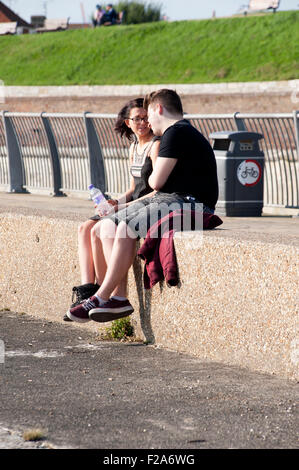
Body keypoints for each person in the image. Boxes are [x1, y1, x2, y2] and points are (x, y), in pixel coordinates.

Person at [67, 88, 219, 324]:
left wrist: (150, 179)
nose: (148, 121)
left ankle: (102, 296)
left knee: (126, 226)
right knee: (107, 225)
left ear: (158, 108)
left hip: (193, 206)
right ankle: (118, 297)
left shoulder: (175, 133)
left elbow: (155, 182)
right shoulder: (178, 132)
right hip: (173, 199)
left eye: (149, 114)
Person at [64, 98, 160, 321]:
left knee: (100, 230)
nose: (143, 123)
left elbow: (154, 191)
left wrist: (122, 206)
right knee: (84, 227)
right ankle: (88, 290)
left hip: (142, 206)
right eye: (137, 119)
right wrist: (113, 202)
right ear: (128, 123)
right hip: (130, 203)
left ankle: (110, 294)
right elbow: (133, 188)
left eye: (146, 118)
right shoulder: (134, 147)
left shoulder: (155, 146)